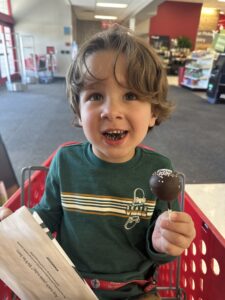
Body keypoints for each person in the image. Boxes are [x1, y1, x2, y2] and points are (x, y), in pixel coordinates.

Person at [0, 25, 195, 300]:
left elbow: (159, 250)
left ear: (153, 112)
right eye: (95, 96)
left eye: (130, 95)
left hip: (135, 291)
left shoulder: (159, 170)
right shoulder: (65, 162)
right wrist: (14, 228)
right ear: (79, 113)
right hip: (67, 285)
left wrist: (165, 242)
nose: (111, 111)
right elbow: (46, 216)